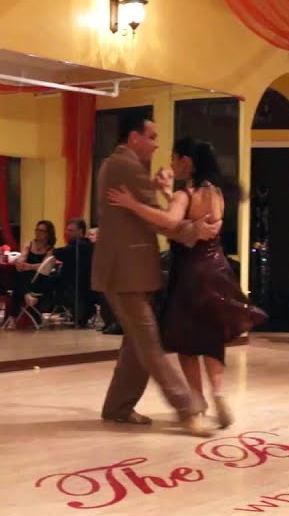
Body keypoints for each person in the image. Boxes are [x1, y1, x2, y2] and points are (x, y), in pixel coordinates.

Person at [108, 137, 266, 429]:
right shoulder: (216, 192)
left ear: (186, 162)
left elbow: (169, 222)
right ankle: (218, 393)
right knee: (211, 336)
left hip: (191, 271)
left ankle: (197, 399)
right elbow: (190, 217)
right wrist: (168, 193)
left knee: (187, 338)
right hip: (218, 268)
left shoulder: (187, 194)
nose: (170, 164)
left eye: (174, 159)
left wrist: (132, 204)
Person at [92, 113, 222, 435]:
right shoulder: (128, 167)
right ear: (134, 138)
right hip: (127, 272)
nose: (157, 144)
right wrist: (194, 230)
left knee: (137, 347)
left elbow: (138, 210)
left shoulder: (117, 165)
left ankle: (118, 407)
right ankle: (189, 409)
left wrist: (154, 189)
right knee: (150, 343)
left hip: (126, 270)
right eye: (151, 137)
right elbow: (158, 221)